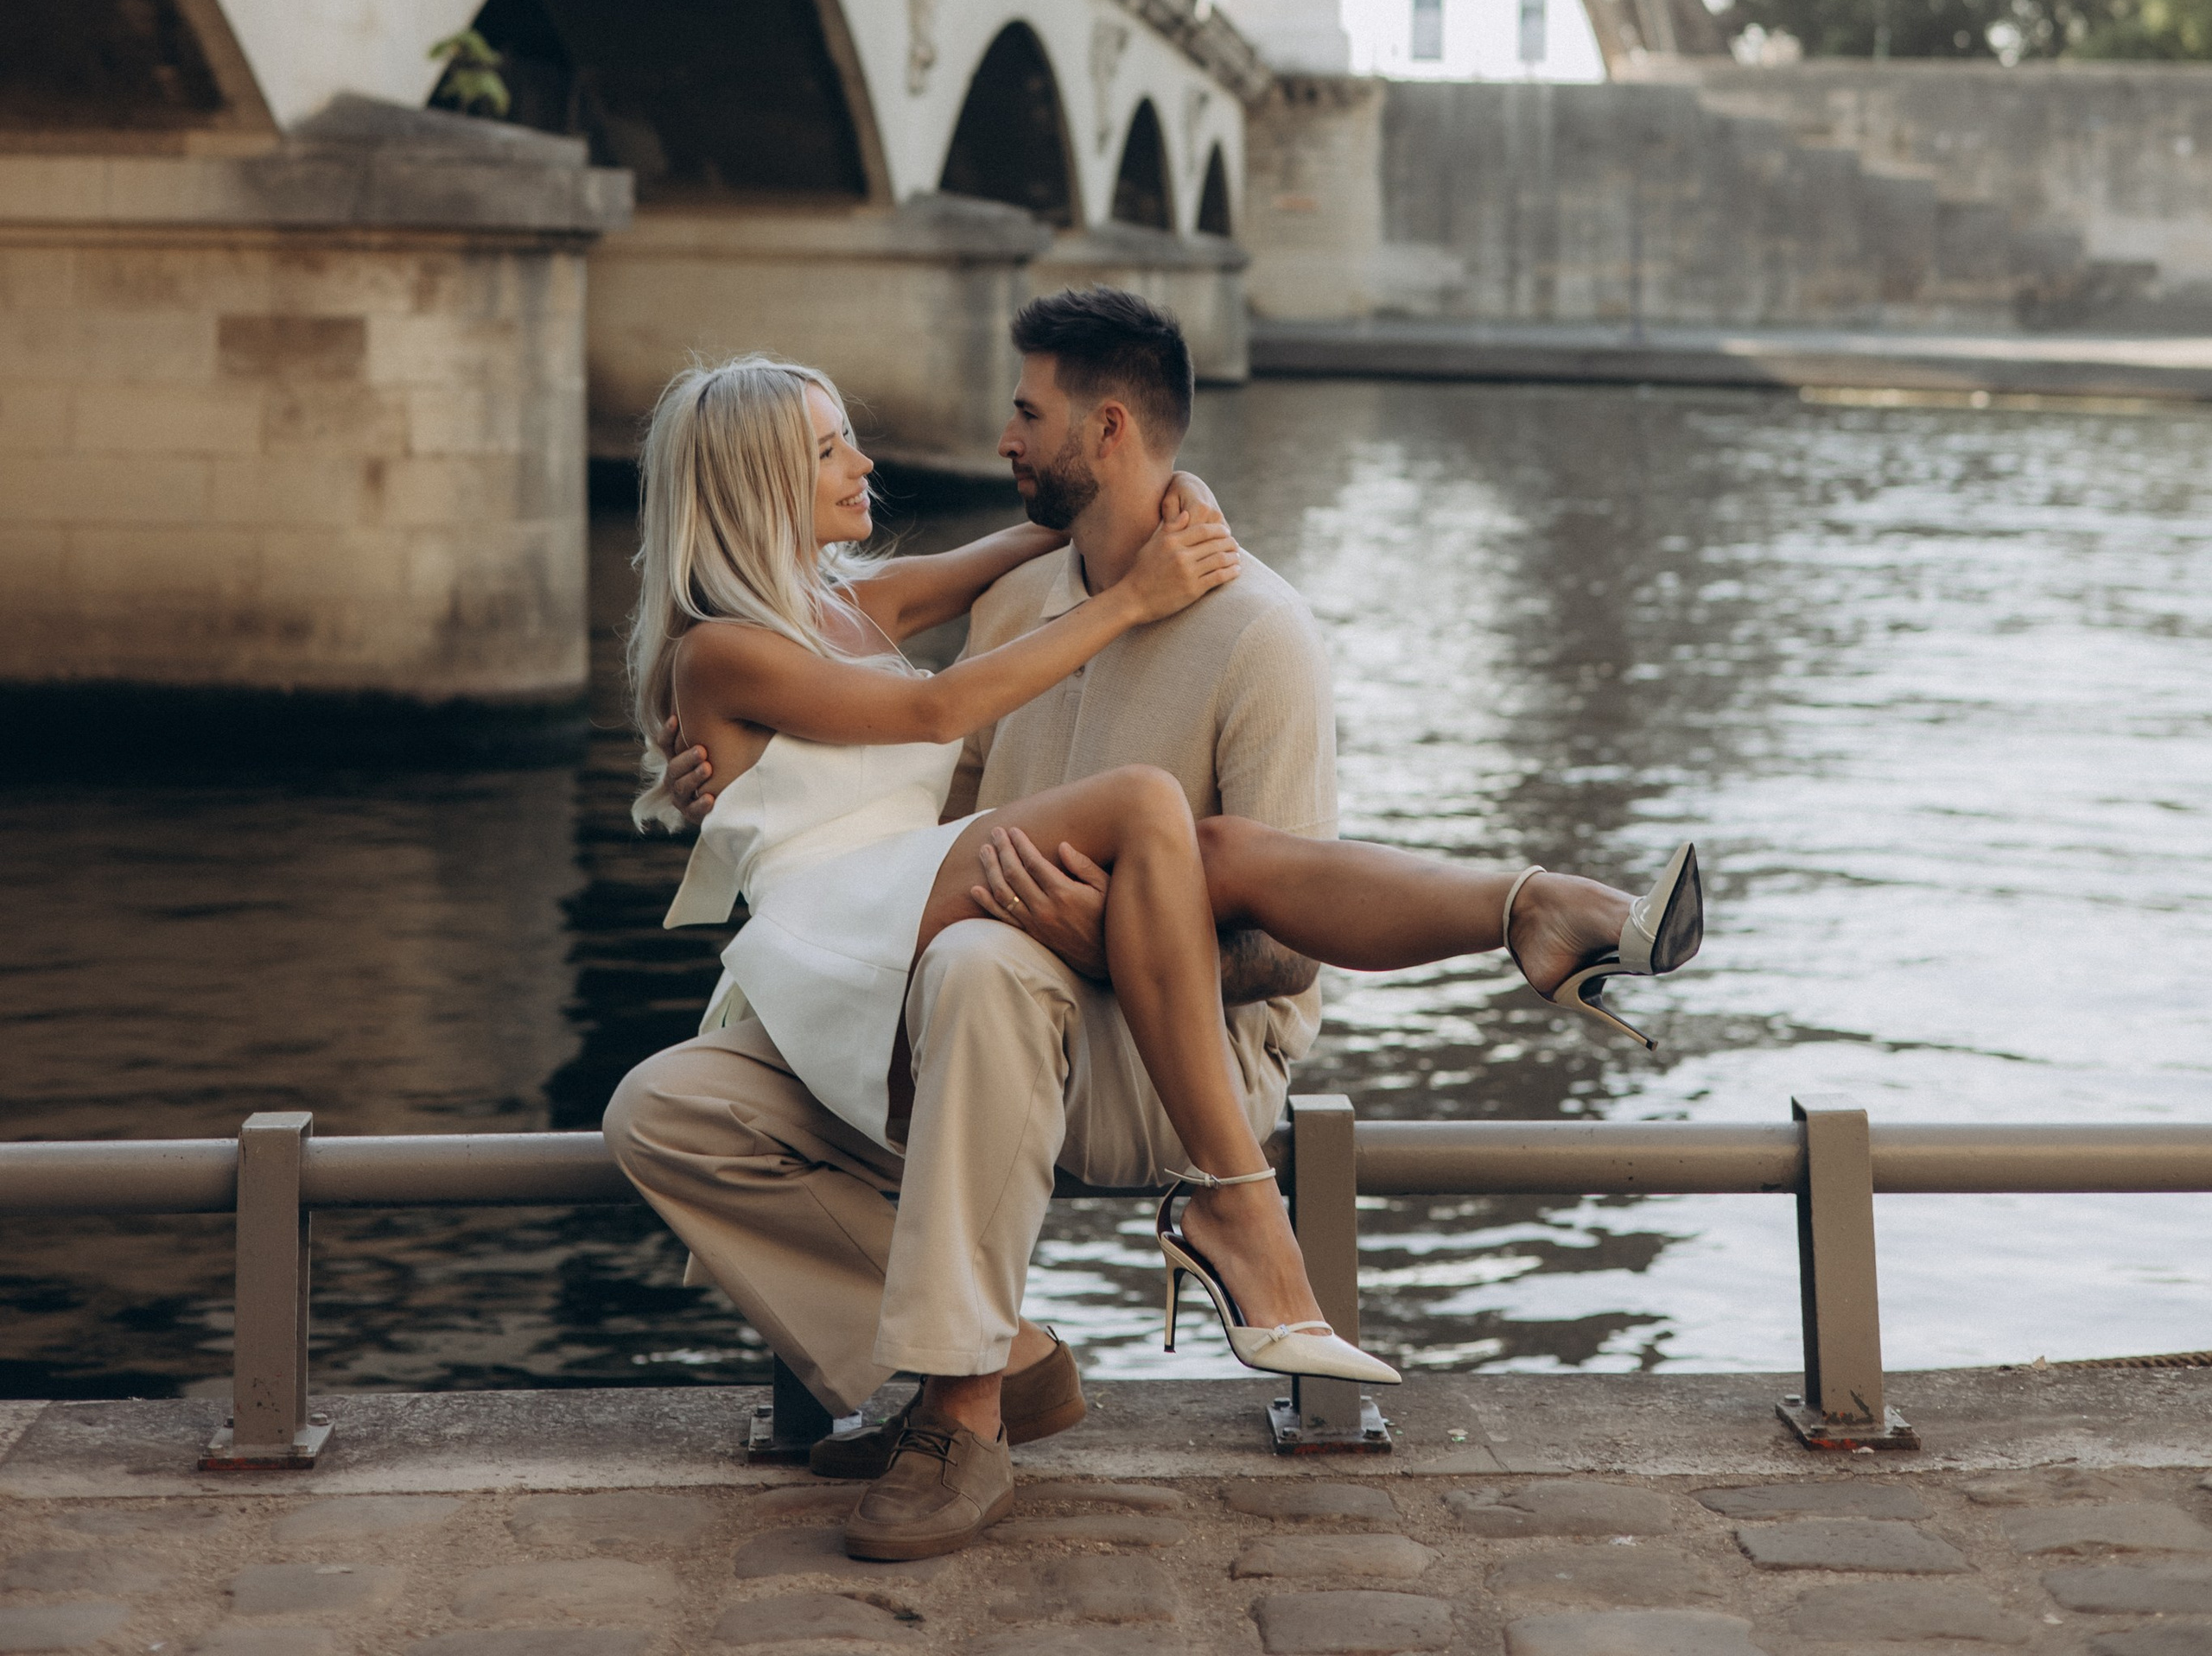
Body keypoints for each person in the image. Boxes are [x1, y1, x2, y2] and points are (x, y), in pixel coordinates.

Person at [606, 289, 1700, 1562]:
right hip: (885, 948)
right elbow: (936, 723)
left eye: (1026, 415)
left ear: (1110, 431)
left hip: (1125, 1040)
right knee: (664, 1107)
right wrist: (728, 788)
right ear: (758, 485)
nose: (983, 441)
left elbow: (1279, 953)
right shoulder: (848, 636)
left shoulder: (1244, 630)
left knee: (1160, 868)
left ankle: (973, 1405)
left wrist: (1175, 518)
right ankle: (1077, 1308)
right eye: (831, 447)